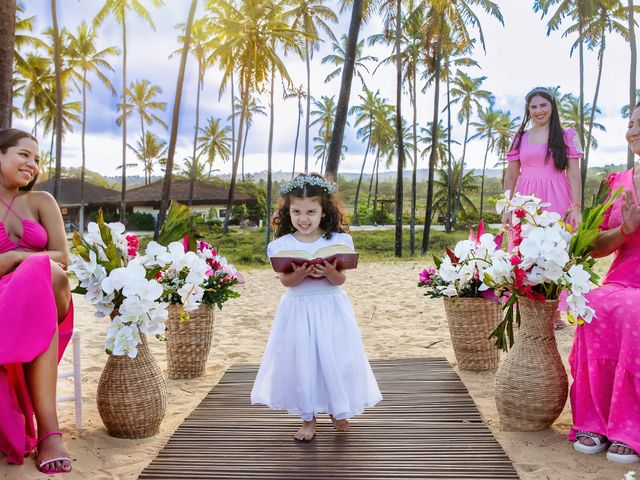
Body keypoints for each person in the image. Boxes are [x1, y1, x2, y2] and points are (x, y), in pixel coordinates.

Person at [251, 173, 382, 442]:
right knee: (303, 363)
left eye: (311, 211)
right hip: (298, 310)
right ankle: (308, 419)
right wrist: (299, 274)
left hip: (331, 307)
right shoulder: (281, 245)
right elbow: (286, 282)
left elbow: (340, 280)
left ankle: (337, 409)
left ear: (324, 212)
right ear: (288, 212)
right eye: (296, 211)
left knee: (336, 360)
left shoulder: (338, 241)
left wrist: (329, 272)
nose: (303, 218)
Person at [568, 102, 640, 465]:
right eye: (631, 122)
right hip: (623, 279)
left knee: (634, 313)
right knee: (591, 305)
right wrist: (624, 230)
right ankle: (595, 420)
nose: (635, 128)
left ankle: (630, 427)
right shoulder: (617, 182)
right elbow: (595, 247)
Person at [0, 128, 73, 474]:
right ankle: (48, 434)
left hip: (51, 290)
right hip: (5, 305)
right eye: (23, 154)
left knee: (43, 270)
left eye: (37, 159)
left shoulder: (41, 201)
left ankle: (49, 431)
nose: (32, 164)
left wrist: (20, 259)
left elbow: (62, 255)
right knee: (36, 270)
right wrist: (19, 258)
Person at [503, 86, 584, 329]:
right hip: (526, 200)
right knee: (525, 250)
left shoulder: (567, 134)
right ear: (528, 110)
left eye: (543, 105)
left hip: (557, 197)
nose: (539, 111)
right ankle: (525, 309)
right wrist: (507, 206)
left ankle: (554, 312)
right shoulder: (521, 137)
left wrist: (577, 207)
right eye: (533, 106)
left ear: (552, 107)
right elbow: (511, 175)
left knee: (555, 251)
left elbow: (574, 174)